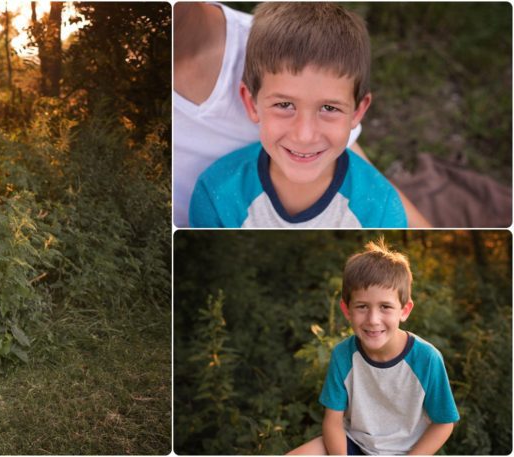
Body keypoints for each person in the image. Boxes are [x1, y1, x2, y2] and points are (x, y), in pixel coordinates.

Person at [173, 2, 429, 227]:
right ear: (251, 104)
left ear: (358, 111)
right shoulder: (215, 193)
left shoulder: (381, 208)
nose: (305, 135)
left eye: (329, 108)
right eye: (285, 105)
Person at [288, 240, 459, 455]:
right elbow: (332, 422)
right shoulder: (343, 355)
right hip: (353, 443)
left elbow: (444, 423)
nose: (373, 319)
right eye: (362, 307)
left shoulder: (427, 358)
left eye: (385, 307)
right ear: (347, 309)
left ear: (404, 310)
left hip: (405, 452)